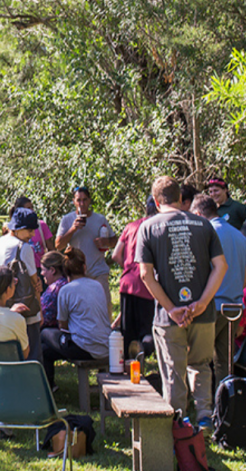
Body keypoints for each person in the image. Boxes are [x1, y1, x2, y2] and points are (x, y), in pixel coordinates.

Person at [136, 175, 227, 432]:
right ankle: (205, 417)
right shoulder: (203, 224)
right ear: (180, 198)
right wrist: (202, 302)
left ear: (156, 201)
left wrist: (171, 309)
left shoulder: (149, 227)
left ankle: (178, 425)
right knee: (201, 365)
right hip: (203, 312)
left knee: (174, 371)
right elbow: (221, 266)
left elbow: (146, 274)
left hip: (169, 316)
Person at [191, 193, 246, 387]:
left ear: (199, 214)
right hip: (234, 306)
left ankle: (202, 405)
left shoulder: (206, 234)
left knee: (200, 358)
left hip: (212, 305)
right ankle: (224, 403)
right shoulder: (240, 236)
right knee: (224, 362)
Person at [40, 248, 110, 390]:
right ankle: (50, 387)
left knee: (45, 333)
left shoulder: (66, 290)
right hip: (106, 344)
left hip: (84, 347)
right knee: (45, 350)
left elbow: (62, 325)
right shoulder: (98, 285)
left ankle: (47, 389)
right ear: (84, 267)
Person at [0, 207, 43, 359]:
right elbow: (34, 282)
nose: (32, 235)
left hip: (0, 306)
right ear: (18, 229)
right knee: (32, 353)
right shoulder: (23, 248)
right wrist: (39, 311)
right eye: (29, 230)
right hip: (25, 307)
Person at [55, 186, 117, 315]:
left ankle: (106, 333)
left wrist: (106, 242)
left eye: (84, 200)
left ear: (89, 201)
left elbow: (114, 241)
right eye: (78, 200)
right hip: (77, 272)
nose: (82, 204)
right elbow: (58, 245)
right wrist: (72, 229)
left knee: (104, 307)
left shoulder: (100, 219)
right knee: (79, 309)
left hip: (98, 270)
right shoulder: (67, 220)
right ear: (74, 202)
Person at [112, 197, 157, 357]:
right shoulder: (157, 227)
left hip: (127, 283)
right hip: (148, 285)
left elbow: (116, 254)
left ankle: (126, 367)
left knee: (128, 331)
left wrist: (129, 267)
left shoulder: (132, 226)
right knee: (148, 330)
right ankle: (143, 353)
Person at [9, 197, 53, 265]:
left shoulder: (41, 225)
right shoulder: (14, 229)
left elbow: (51, 248)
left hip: (39, 267)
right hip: (21, 267)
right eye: (28, 208)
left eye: (32, 207)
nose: (31, 210)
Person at [39, 251, 68, 329]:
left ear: (52, 270)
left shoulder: (55, 288)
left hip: (55, 330)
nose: (41, 273)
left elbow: (46, 318)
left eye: (43, 270)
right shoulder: (67, 282)